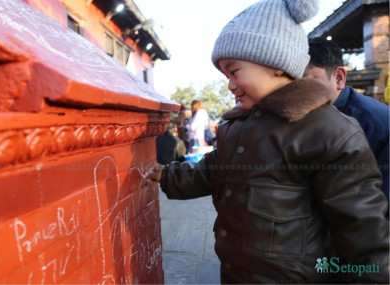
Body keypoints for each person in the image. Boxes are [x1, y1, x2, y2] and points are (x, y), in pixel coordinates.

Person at [146, 0, 389, 283]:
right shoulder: (236, 128)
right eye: (225, 75)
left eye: (234, 71)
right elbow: (211, 170)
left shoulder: (329, 132)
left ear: (275, 64)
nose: (229, 85)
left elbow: (362, 230)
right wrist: (167, 175)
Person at [304, 37, 389, 201]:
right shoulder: (292, 119)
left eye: (305, 83)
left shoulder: (380, 127)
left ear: (339, 78)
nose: (295, 92)